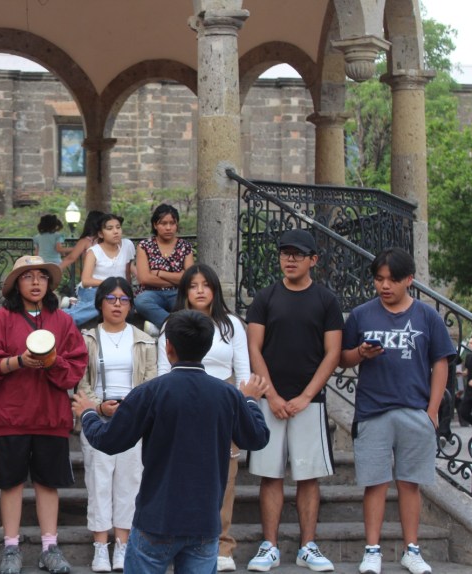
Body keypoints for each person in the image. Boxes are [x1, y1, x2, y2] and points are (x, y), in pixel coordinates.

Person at [73, 310, 270, 574]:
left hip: (157, 519)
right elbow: (257, 437)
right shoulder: (226, 394)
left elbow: (109, 441)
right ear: (207, 347)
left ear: (168, 348)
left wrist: (88, 413)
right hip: (204, 521)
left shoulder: (150, 392)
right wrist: (249, 399)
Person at [339, 248, 455, 574]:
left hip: (415, 410)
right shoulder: (361, 314)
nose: (384, 286)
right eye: (379, 279)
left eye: (392, 279)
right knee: (375, 483)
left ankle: (411, 550)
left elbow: (441, 362)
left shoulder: (427, 316)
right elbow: (342, 358)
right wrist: (360, 353)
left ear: (409, 280)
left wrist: (432, 410)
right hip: (372, 410)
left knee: (410, 483)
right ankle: (372, 550)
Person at [0, 255, 88, 574]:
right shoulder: (0, 319)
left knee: (47, 483)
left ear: (49, 283)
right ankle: (11, 547)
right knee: (10, 483)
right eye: (28, 276)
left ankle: (49, 547)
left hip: (51, 416)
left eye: (42, 276)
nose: (36, 281)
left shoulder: (63, 321)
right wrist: (19, 362)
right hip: (11, 415)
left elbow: (76, 366)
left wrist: (53, 362)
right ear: (16, 284)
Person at [244, 229, 343, 573]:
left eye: (298, 254)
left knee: (308, 475)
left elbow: (333, 353)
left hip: (309, 402)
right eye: (285, 253)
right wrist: (271, 395)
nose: (290, 259)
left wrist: (305, 396)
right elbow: (254, 347)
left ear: (313, 260)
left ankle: (307, 546)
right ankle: (269, 546)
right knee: (269, 474)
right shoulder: (265, 297)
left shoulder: (326, 300)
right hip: (269, 400)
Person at [157, 264, 250, 572]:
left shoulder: (232, 324)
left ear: (215, 290)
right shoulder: (171, 324)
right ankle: (180, 543)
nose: (200, 290)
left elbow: (244, 371)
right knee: (182, 474)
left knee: (225, 477)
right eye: (193, 285)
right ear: (184, 291)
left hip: (223, 402)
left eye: (206, 285)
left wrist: (243, 407)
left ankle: (222, 545)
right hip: (182, 401)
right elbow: (162, 371)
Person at [75, 276, 157, 572]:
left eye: (123, 299)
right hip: (97, 416)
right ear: (100, 303)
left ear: (131, 305)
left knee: (130, 481)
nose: (117, 305)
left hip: (133, 417)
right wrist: (98, 406)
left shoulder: (144, 339)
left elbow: (150, 380)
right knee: (98, 480)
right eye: (111, 299)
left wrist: (131, 408)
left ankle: (123, 545)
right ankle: (100, 546)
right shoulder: (87, 338)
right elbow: (81, 380)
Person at [65, 213, 135, 327]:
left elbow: (127, 273)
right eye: (110, 228)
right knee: (104, 304)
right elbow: (86, 281)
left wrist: (128, 291)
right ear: (101, 234)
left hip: (119, 291)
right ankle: (65, 318)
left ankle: (75, 306)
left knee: (124, 307)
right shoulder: (94, 251)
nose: (116, 231)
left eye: (118, 227)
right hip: (95, 289)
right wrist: (111, 284)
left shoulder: (127, 245)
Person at [134, 204, 194, 332]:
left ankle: (160, 327)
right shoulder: (144, 246)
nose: (168, 227)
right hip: (151, 293)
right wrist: (178, 278)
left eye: (172, 223)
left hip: (178, 293)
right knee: (140, 302)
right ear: (155, 225)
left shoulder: (185, 246)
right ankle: (174, 326)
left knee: (191, 302)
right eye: (163, 223)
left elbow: (189, 278)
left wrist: (159, 273)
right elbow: (144, 278)